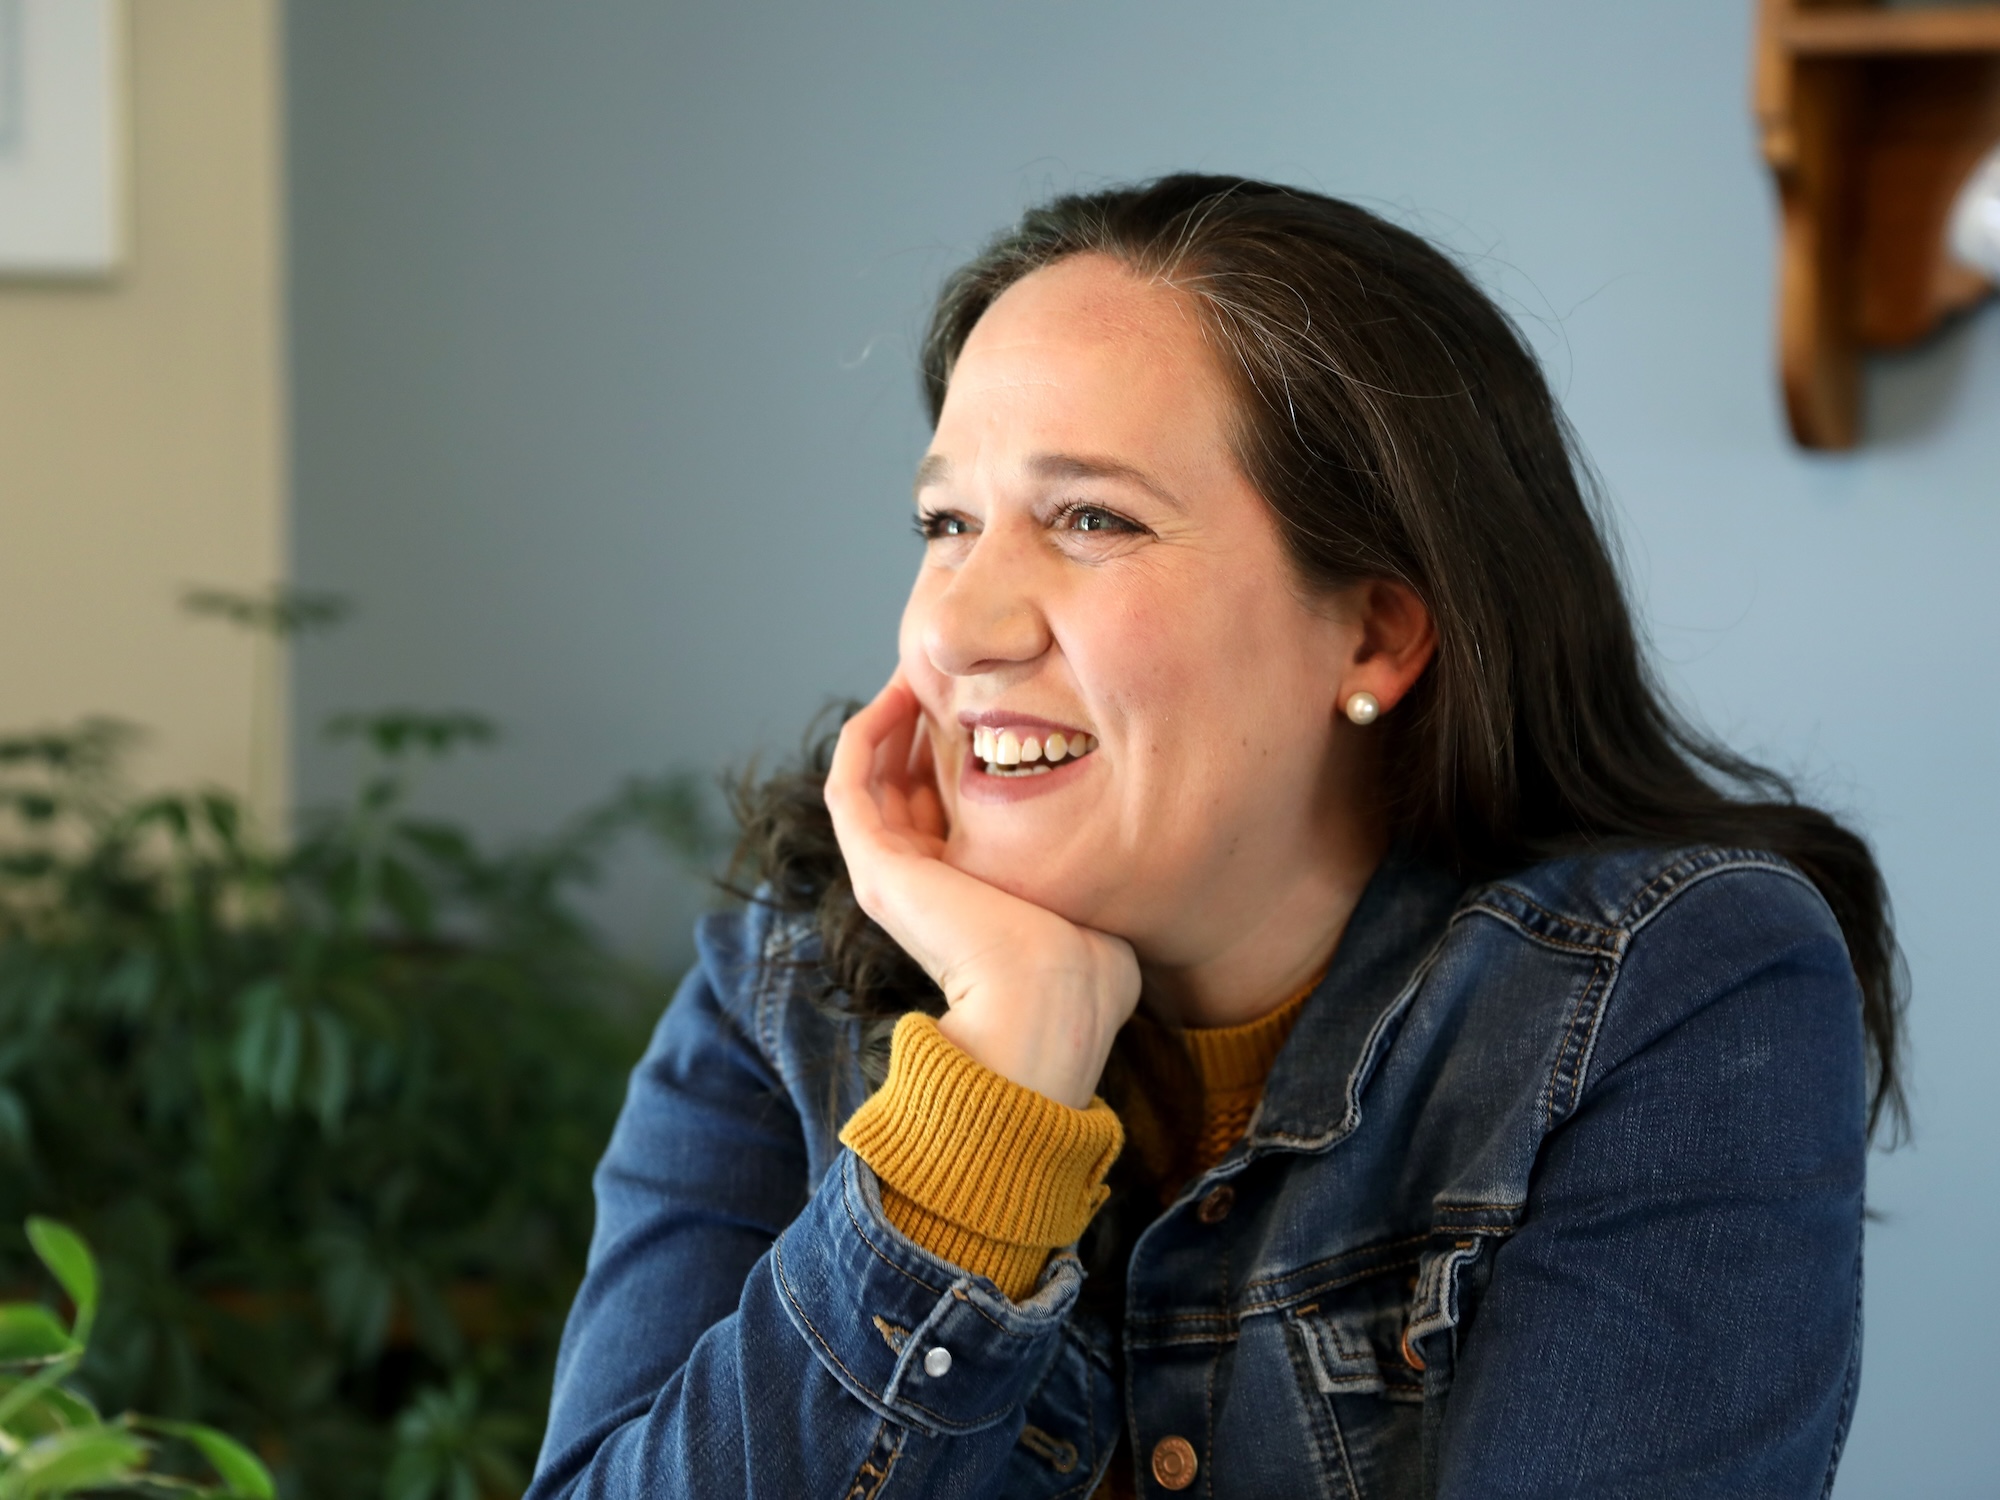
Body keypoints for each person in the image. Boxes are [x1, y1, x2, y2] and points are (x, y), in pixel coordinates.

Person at [527, 176, 1903, 1499]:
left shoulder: (1673, 991)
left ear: (1372, 632)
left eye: (1090, 519)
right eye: (946, 522)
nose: (952, 627)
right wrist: (1001, 1071)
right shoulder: (788, 992)